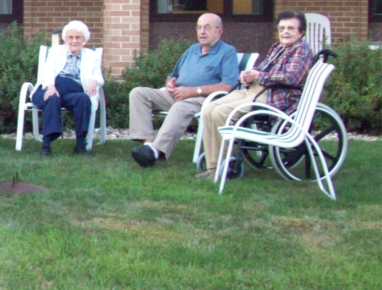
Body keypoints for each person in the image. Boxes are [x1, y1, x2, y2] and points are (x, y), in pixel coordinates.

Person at [198, 11, 315, 179]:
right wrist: (249, 74)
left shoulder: (301, 50)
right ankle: (212, 167)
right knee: (209, 108)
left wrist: (259, 76)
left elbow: (291, 77)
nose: (285, 32)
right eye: (282, 28)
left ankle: (221, 167)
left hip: (274, 96)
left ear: (301, 32)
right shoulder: (278, 48)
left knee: (221, 112)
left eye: (290, 28)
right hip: (255, 89)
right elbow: (264, 68)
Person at [128, 12, 240, 167]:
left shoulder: (227, 52)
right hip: (177, 93)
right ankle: (147, 145)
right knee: (138, 93)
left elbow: (227, 86)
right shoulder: (193, 49)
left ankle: (156, 151)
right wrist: (170, 83)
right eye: (199, 27)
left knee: (180, 107)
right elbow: (172, 75)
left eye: (207, 28)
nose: (202, 32)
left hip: (203, 99)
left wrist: (193, 91)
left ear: (219, 31)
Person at [31, 20, 105, 156]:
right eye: (70, 37)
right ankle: (46, 145)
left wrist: (94, 81)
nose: (74, 41)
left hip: (72, 93)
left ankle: (80, 145)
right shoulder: (55, 51)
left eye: (78, 37)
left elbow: (97, 74)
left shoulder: (91, 56)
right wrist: (51, 86)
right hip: (50, 88)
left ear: (84, 40)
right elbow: (47, 71)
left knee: (83, 98)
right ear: (65, 39)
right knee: (52, 98)